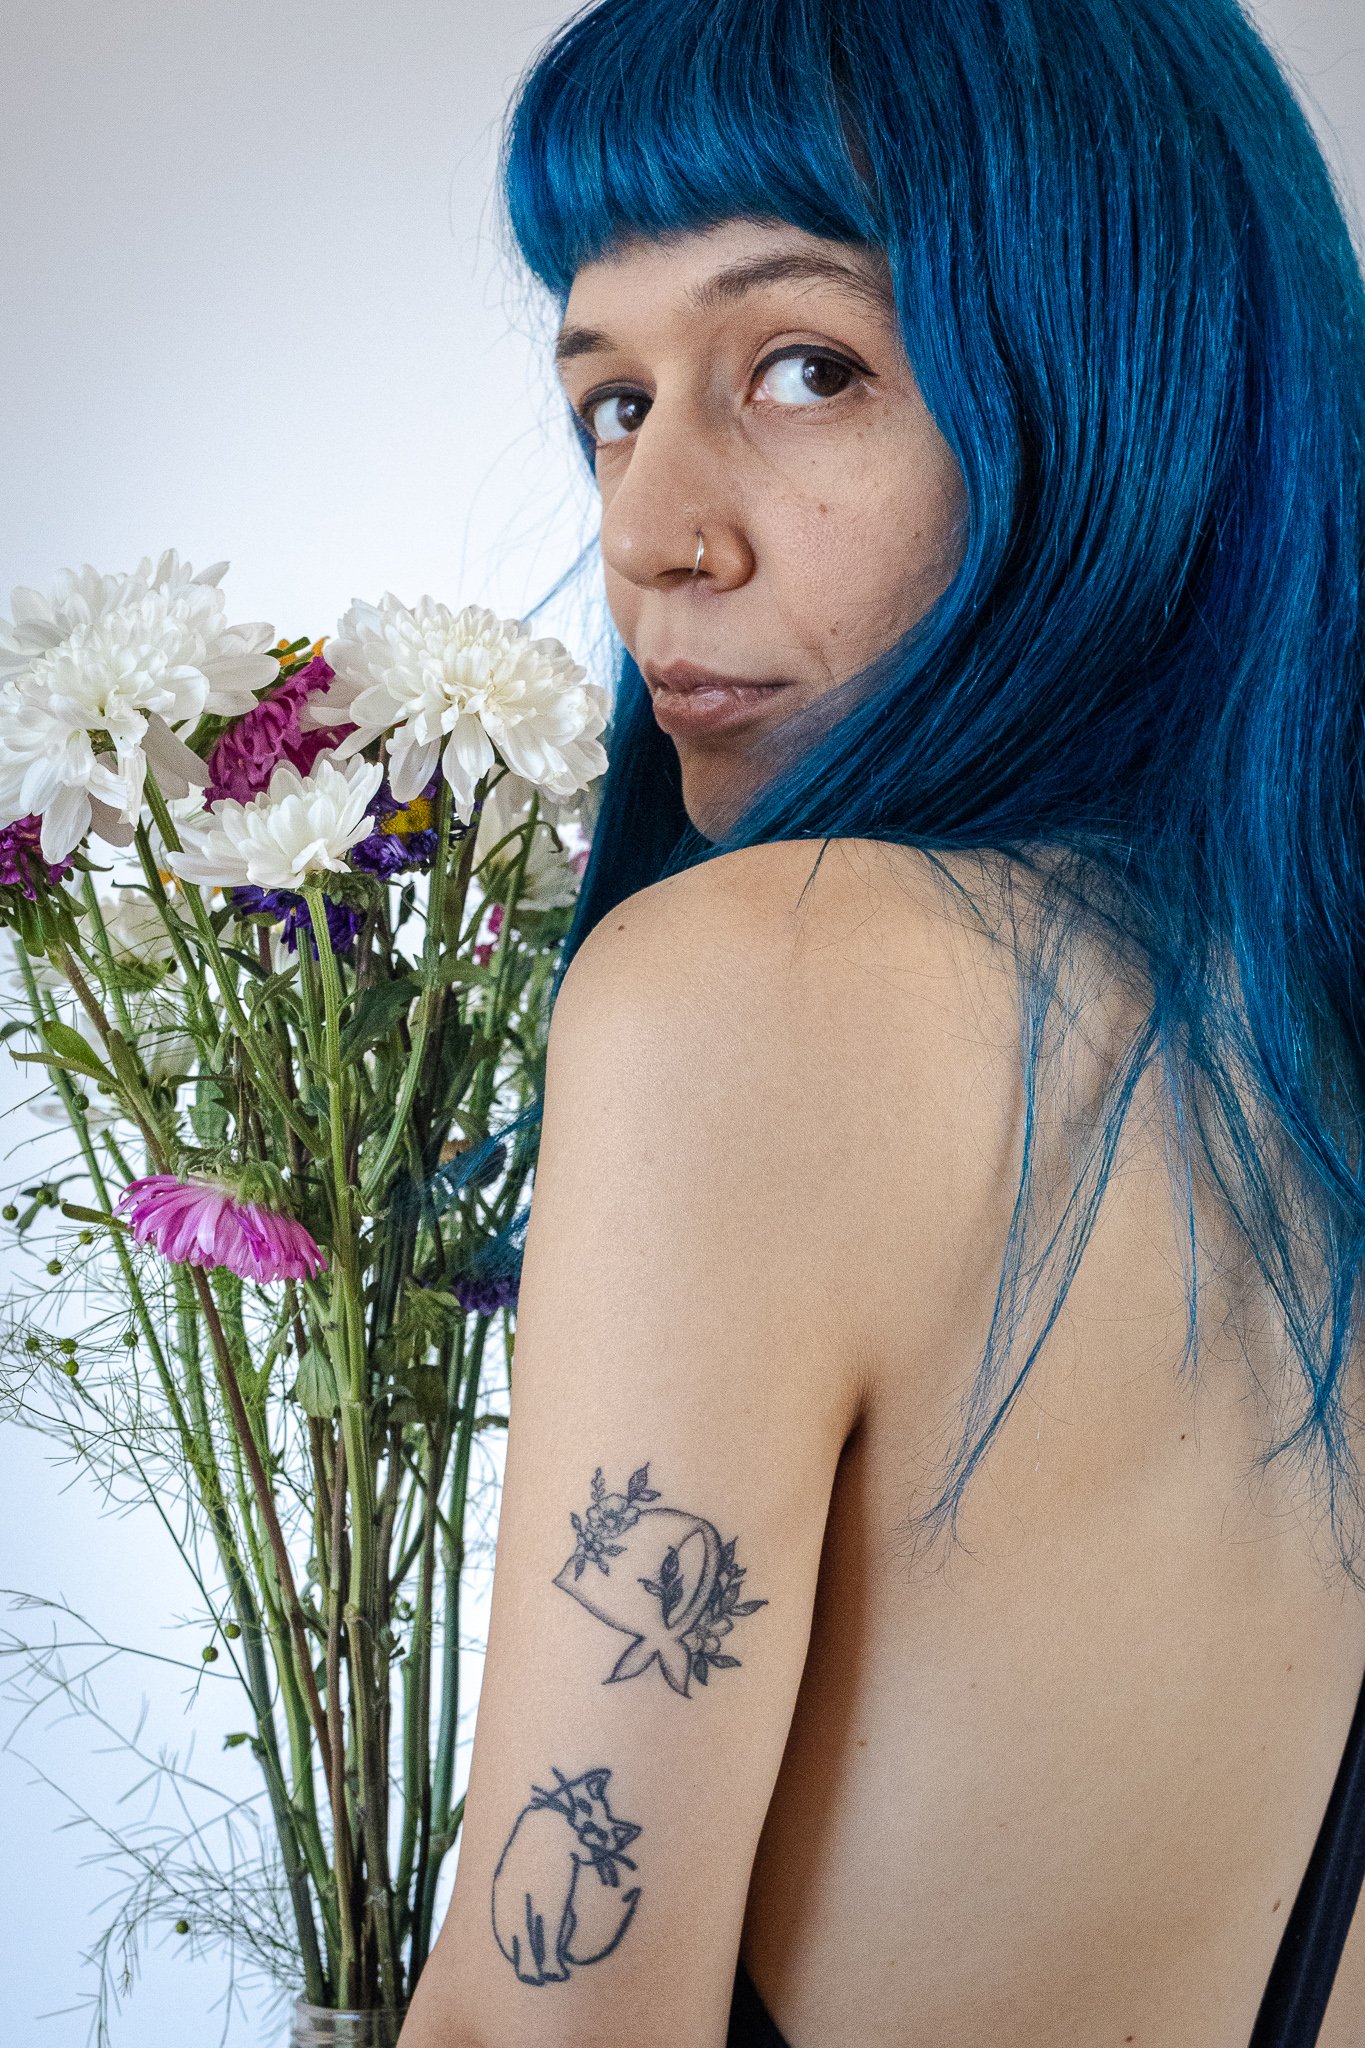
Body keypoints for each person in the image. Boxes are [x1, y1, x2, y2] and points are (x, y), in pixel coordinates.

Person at [397, 0, 1365, 2042]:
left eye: (802, 366)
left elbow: (539, 2024)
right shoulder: (1305, 1072)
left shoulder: (748, 992)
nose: (651, 532)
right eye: (610, 402)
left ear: (1121, 379)